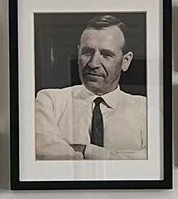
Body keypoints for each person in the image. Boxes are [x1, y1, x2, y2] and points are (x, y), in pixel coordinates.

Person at [32, 15, 148, 160]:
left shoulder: (145, 109)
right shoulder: (50, 101)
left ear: (125, 61)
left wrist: (86, 150)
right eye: (87, 52)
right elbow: (43, 153)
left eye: (106, 55)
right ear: (78, 52)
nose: (93, 64)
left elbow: (149, 163)